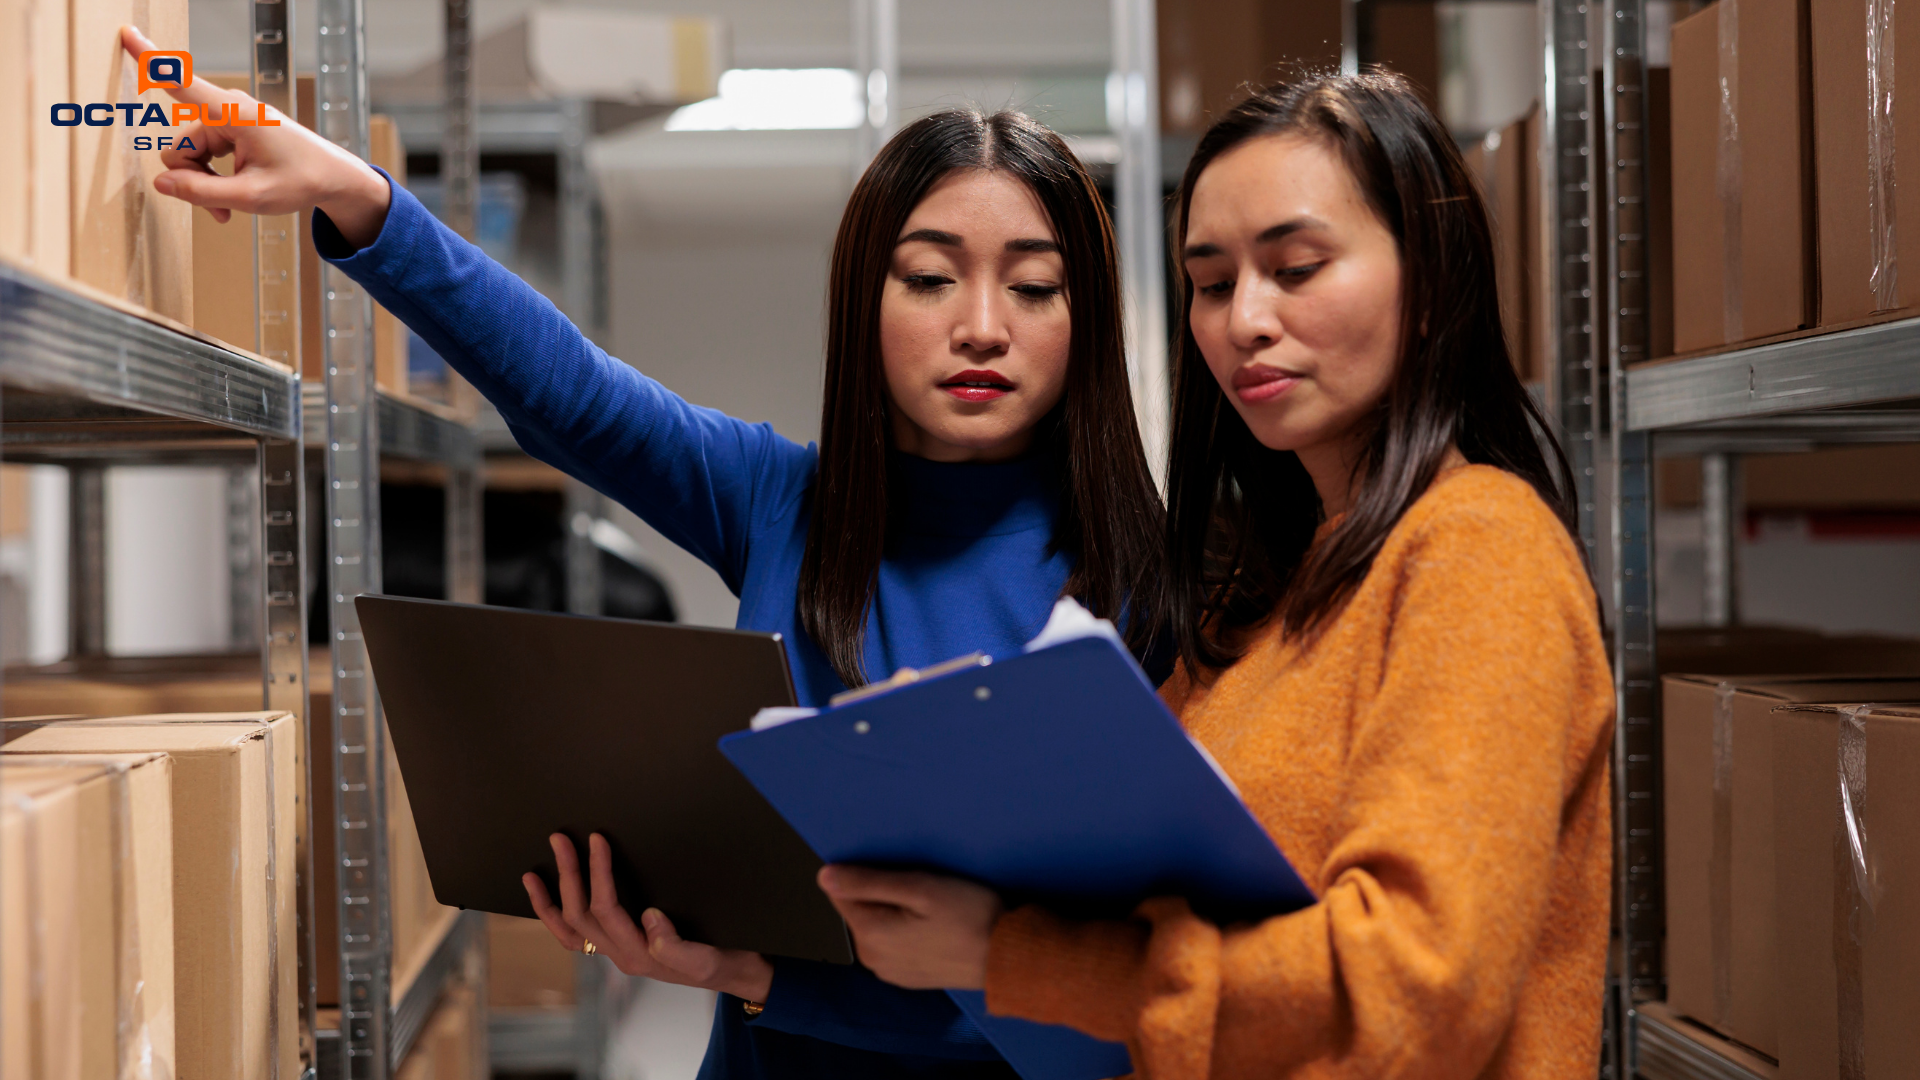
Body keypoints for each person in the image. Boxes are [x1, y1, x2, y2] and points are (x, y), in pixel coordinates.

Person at [117, 25, 1168, 1080]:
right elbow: (572, 391)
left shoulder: (1155, 587)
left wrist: (762, 979)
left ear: (1086, 321)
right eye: (931, 278)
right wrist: (358, 197)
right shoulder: (780, 502)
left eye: (1035, 287)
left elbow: (1131, 1004)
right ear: (865, 303)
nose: (982, 326)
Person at [815, 72, 1615, 1079]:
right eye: (1211, 281)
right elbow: (1130, 874)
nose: (1245, 319)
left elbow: (1415, 989)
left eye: (1296, 266)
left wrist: (1007, 953)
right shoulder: (1267, 592)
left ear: (1433, 284)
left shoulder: (1479, 551)